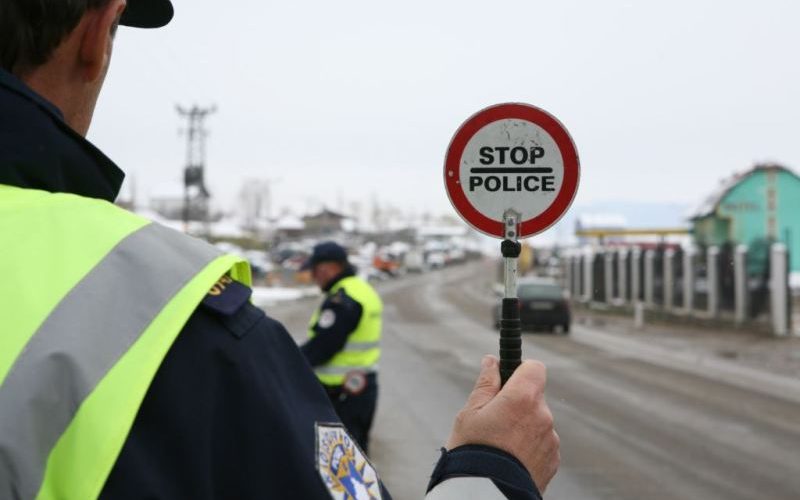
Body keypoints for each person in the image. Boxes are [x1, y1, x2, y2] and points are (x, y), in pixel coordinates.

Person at [0, 1, 560, 499]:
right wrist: (491, 472)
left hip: (354, 391)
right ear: (96, 36)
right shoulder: (167, 315)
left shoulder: (338, 297)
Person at [300, 241, 382, 453]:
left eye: (315, 270)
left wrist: (290, 361)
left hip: (342, 395)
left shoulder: (342, 299)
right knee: (354, 457)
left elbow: (324, 346)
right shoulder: (361, 289)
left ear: (329, 268)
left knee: (341, 460)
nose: (313, 277)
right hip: (358, 389)